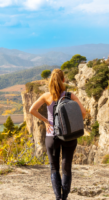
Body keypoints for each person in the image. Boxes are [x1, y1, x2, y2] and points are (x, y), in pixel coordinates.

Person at [30, 69, 86, 200]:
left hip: (52, 136)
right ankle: (64, 197)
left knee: (54, 167)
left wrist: (46, 121)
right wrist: (73, 124)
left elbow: (31, 109)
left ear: (50, 81)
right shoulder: (70, 96)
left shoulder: (46, 96)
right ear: (63, 80)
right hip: (69, 136)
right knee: (66, 167)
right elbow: (83, 112)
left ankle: (58, 198)